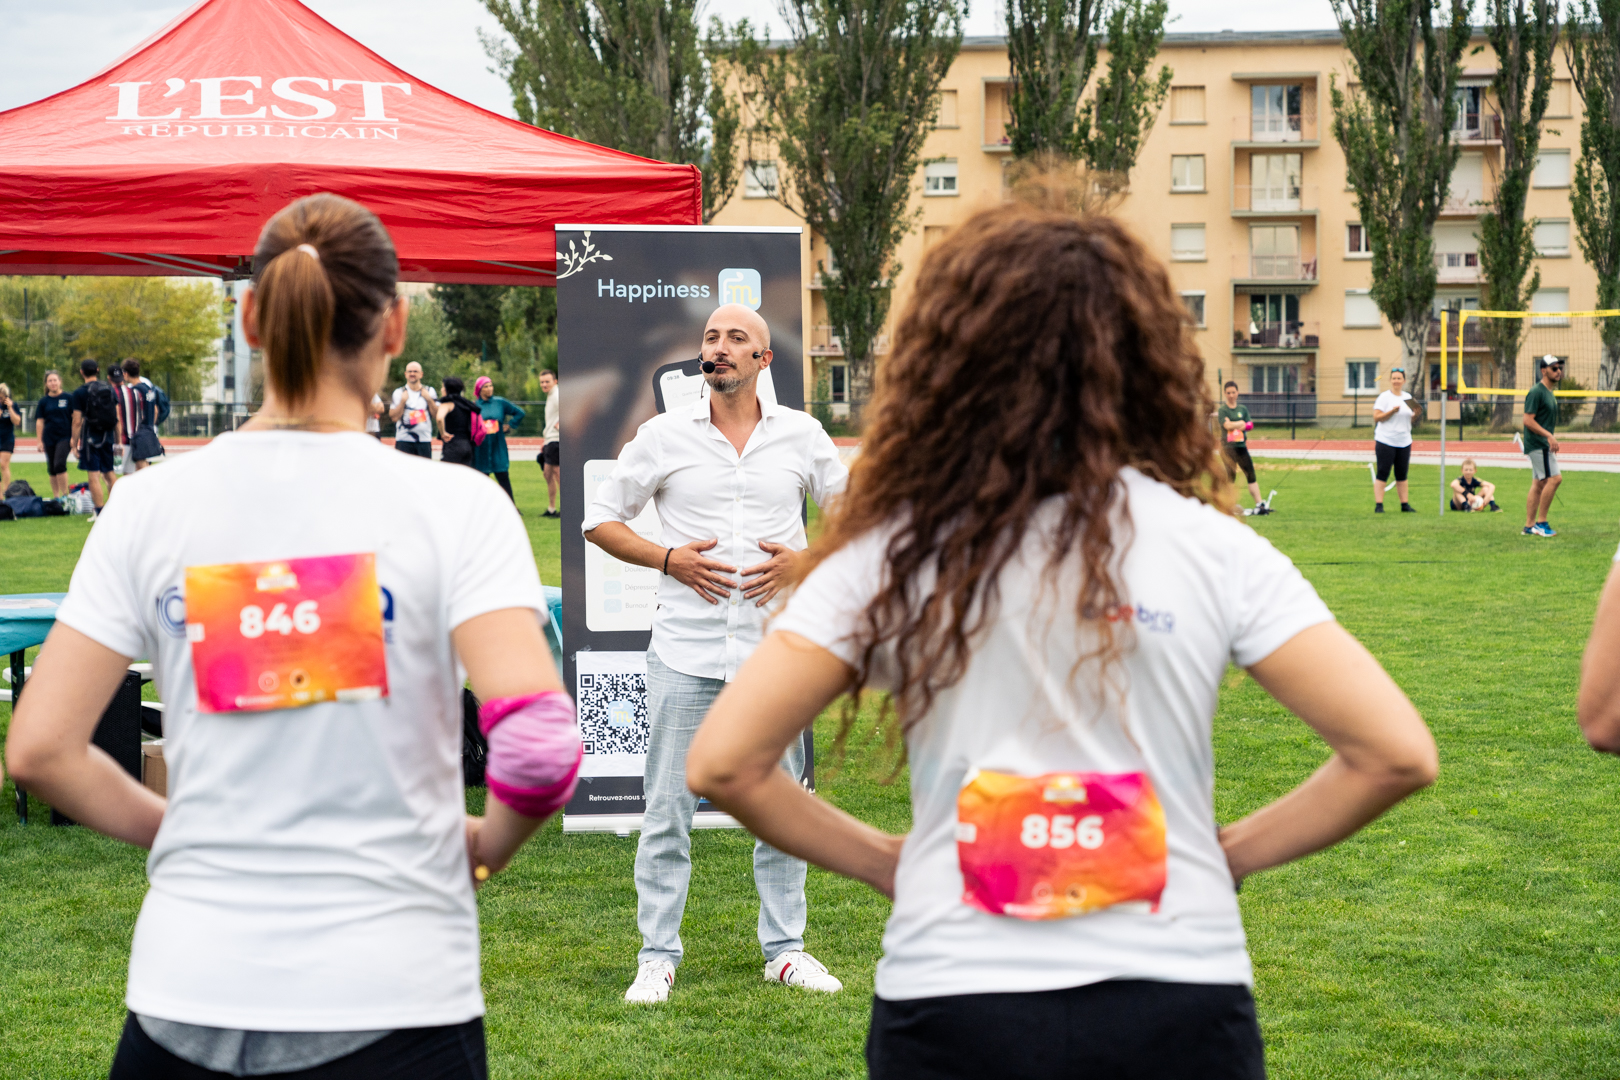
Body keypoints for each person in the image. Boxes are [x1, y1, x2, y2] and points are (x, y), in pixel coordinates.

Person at [685, 203, 1438, 1080]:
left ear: (955, 360)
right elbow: (1395, 753)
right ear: (1140, 361)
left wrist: (894, 862)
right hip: (1179, 996)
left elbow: (725, 764)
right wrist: (1222, 853)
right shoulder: (1211, 545)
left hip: (953, 999)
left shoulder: (895, 554)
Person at [4, 193, 580, 1080]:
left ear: (249, 319)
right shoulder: (454, 505)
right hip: (395, 995)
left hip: (187, 995)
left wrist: (184, 830)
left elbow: (41, 748)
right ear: (393, 326)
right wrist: (484, 851)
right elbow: (538, 751)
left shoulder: (151, 503)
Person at [583, 303, 849, 1006]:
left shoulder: (802, 436)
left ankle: (786, 952)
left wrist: (805, 562)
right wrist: (668, 558)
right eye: (710, 337)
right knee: (667, 811)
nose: (719, 347)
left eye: (737, 339)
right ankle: (656, 958)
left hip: (775, 659)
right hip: (684, 654)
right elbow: (598, 520)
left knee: (784, 810)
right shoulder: (663, 436)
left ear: (764, 360)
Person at [68, 358, 119, 513]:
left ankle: (99, 511)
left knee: (94, 474)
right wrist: (118, 440)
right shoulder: (109, 389)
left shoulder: (79, 393)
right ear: (98, 370)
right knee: (109, 473)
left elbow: (77, 421)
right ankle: (115, 508)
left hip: (91, 437)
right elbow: (117, 418)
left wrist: (73, 442)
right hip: (108, 435)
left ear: (81, 372)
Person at [1522, 354, 1563, 537]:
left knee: (1538, 483)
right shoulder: (1537, 391)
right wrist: (1549, 436)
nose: (1558, 371)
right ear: (1543, 370)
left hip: (1541, 444)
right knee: (1554, 479)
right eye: (1553, 368)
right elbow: (1527, 420)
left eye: (1559, 367)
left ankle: (1529, 526)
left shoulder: (1549, 392)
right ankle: (1541, 523)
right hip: (1539, 444)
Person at [1371, 367, 1421, 513]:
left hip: (1404, 441)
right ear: (1390, 380)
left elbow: (1411, 419)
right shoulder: (1384, 397)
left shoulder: (1408, 398)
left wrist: (1416, 414)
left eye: (1399, 378)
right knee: (1383, 471)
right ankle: (1379, 505)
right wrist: (1391, 412)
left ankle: (1404, 504)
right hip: (1385, 440)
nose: (1396, 381)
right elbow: (1377, 417)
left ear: (1404, 381)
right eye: (1394, 378)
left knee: (1402, 474)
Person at [1216, 381, 1267, 515]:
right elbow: (1227, 426)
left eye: (1233, 392)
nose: (1231, 395)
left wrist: (1239, 424)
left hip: (1241, 447)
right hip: (1228, 449)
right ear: (1225, 394)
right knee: (1230, 477)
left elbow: (1250, 425)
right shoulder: (1222, 410)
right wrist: (1240, 423)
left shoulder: (1243, 409)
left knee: (1250, 474)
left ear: (1237, 393)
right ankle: (1230, 505)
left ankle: (1260, 504)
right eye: (1228, 393)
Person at [472, 376, 525, 504]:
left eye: (491, 385)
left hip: (498, 446)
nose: (489, 389)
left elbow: (520, 412)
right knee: (482, 480)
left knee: (503, 477)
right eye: (486, 386)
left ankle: (511, 508)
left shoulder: (500, 402)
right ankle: (480, 509)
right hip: (481, 448)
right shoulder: (474, 405)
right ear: (479, 389)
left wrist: (511, 425)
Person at [121, 359, 166, 471]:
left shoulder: (135, 391)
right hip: (149, 429)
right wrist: (151, 423)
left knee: (140, 464)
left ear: (126, 373)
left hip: (140, 431)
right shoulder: (148, 388)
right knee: (144, 462)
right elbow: (155, 410)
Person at [35, 370, 74, 498]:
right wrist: (39, 441)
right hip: (49, 438)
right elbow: (40, 422)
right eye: (50, 381)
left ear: (60, 381)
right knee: (52, 468)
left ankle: (65, 495)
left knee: (59, 464)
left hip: (65, 436)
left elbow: (76, 419)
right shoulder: (44, 402)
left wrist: (75, 437)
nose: (53, 383)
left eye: (55, 380)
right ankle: (56, 497)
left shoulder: (68, 398)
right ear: (46, 384)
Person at [390, 361, 438, 458]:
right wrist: (402, 402)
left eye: (415, 371)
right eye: (410, 371)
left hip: (424, 440)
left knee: (424, 472)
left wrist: (429, 400)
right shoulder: (399, 392)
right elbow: (394, 418)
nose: (412, 374)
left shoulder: (429, 391)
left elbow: (437, 415)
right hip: (403, 440)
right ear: (405, 374)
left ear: (421, 374)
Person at [437, 376, 478, 468]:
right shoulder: (466, 404)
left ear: (448, 389)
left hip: (453, 445)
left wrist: (443, 433)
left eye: (443, 387)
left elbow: (439, 418)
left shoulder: (447, 403)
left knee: (446, 476)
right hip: (467, 446)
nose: (441, 389)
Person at [538, 369, 560, 518]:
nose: (544, 384)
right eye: (542, 382)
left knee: (559, 476)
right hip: (550, 440)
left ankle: (568, 508)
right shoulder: (551, 396)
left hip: (556, 440)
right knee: (548, 474)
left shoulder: (558, 395)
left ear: (555, 382)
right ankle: (552, 508)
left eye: (547, 381)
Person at [0, 382, 19, 491]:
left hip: (7, 438)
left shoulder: (13, 405)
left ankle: (6, 491)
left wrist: (10, 408)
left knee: (3, 464)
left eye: (2, 397)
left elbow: (16, 421)